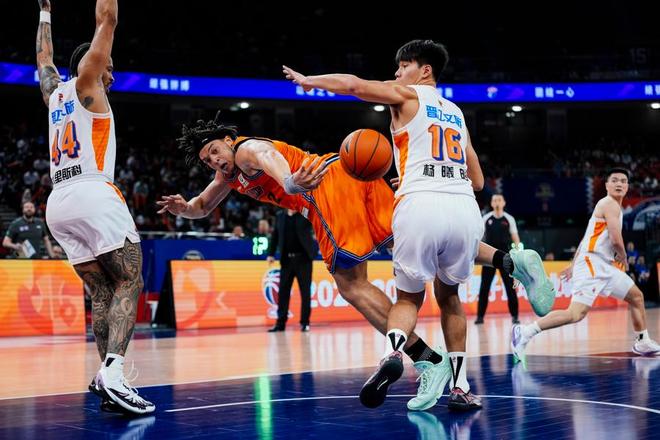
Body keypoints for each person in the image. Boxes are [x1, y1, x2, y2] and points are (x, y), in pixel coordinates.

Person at [158, 112, 553, 410]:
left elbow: (267, 155)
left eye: (215, 151)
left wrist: (290, 182)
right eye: (207, 161)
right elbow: (201, 206)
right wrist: (183, 209)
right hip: (353, 172)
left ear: (229, 140)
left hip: (325, 190)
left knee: (350, 284)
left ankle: (426, 361)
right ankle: (513, 261)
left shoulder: (246, 150)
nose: (214, 161)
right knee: (414, 240)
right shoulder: (227, 177)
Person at [282, 39, 556, 411]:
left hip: (419, 206)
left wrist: (309, 81)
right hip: (463, 208)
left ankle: (394, 352)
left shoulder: (407, 95)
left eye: (403, 66)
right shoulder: (456, 113)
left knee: (408, 298)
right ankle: (461, 385)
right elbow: (478, 180)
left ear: (424, 70)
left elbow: (353, 85)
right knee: (450, 298)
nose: (397, 74)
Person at [35, 0, 154, 414]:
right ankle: (115, 373)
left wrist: (45, 12)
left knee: (102, 290)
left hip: (58, 201)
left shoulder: (53, 94)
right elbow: (108, 18)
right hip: (93, 192)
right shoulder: (88, 82)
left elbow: (44, 59)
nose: (112, 74)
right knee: (130, 280)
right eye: (109, 66)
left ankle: (106, 377)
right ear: (92, 64)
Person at [511, 168, 660, 368]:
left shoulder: (610, 207)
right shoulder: (609, 204)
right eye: (614, 180)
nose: (619, 183)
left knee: (636, 296)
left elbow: (586, 238)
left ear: (627, 186)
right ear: (606, 185)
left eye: (623, 181)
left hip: (602, 265)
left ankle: (642, 340)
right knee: (575, 314)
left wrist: (573, 264)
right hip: (593, 264)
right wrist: (624, 257)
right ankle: (525, 332)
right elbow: (616, 239)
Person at [267, 209, 315, 332]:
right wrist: (271, 254)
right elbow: (275, 235)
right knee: (283, 292)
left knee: (305, 293)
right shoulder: (280, 216)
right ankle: (280, 323)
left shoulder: (305, 214)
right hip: (286, 260)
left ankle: (305, 323)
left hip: (303, 260)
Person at [476, 194, 521, 325]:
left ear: (503, 203)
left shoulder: (509, 219)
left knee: (510, 288)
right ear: (491, 203)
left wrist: (518, 256)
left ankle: (515, 316)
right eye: (495, 200)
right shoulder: (486, 218)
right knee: (484, 288)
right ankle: (480, 317)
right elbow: (478, 237)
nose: (497, 202)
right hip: (488, 258)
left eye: (499, 200)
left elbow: (516, 239)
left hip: (505, 258)